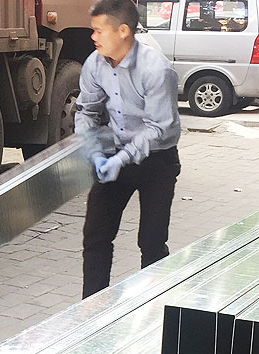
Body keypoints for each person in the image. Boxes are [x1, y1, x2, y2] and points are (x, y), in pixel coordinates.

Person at [74, 0, 181, 298]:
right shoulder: (95, 63)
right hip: (115, 152)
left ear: (123, 31)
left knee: (152, 241)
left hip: (157, 159)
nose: (93, 37)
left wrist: (122, 158)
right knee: (95, 237)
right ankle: (92, 309)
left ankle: (153, 306)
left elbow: (158, 128)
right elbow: (86, 111)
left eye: (99, 30)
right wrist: (94, 150)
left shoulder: (156, 69)